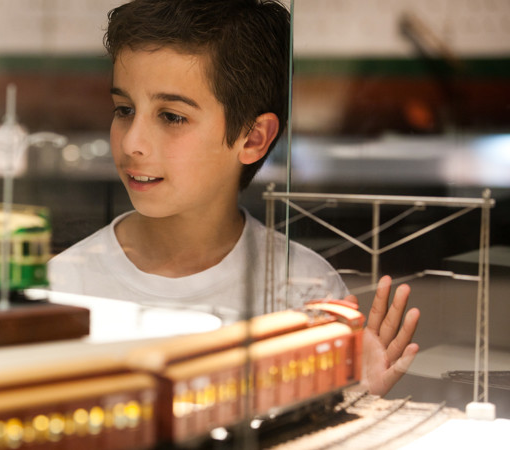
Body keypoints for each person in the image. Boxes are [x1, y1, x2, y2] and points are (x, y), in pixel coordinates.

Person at [48, 0, 418, 397]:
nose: (133, 142)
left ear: (253, 138)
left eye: (172, 116)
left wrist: (353, 399)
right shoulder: (62, 285)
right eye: (124, 110)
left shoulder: (304, 292)